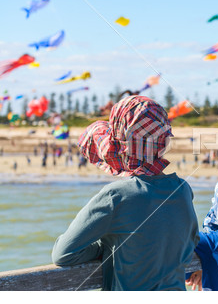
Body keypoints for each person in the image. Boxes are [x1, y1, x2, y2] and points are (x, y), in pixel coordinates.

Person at [52, 96, 199, 291]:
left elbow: (63, 254)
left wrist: (106, 248)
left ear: (120, 144)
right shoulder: (182, 189)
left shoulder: (116, 196)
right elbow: (190, 242)